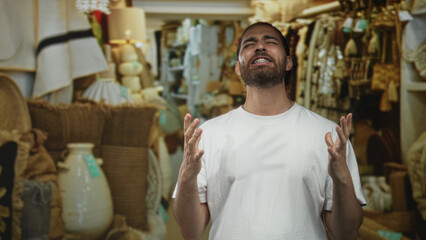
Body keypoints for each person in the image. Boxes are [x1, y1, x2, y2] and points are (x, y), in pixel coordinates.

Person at [173, 22, 366, 240]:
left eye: (270, 41)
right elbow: (190, 232)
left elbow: (346, 233)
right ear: (237, 66)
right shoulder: (207, 135)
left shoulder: (329, 136)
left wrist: (341, 178)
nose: (260, 46)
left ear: (289, 62)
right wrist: (187, 177)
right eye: (250, 43)